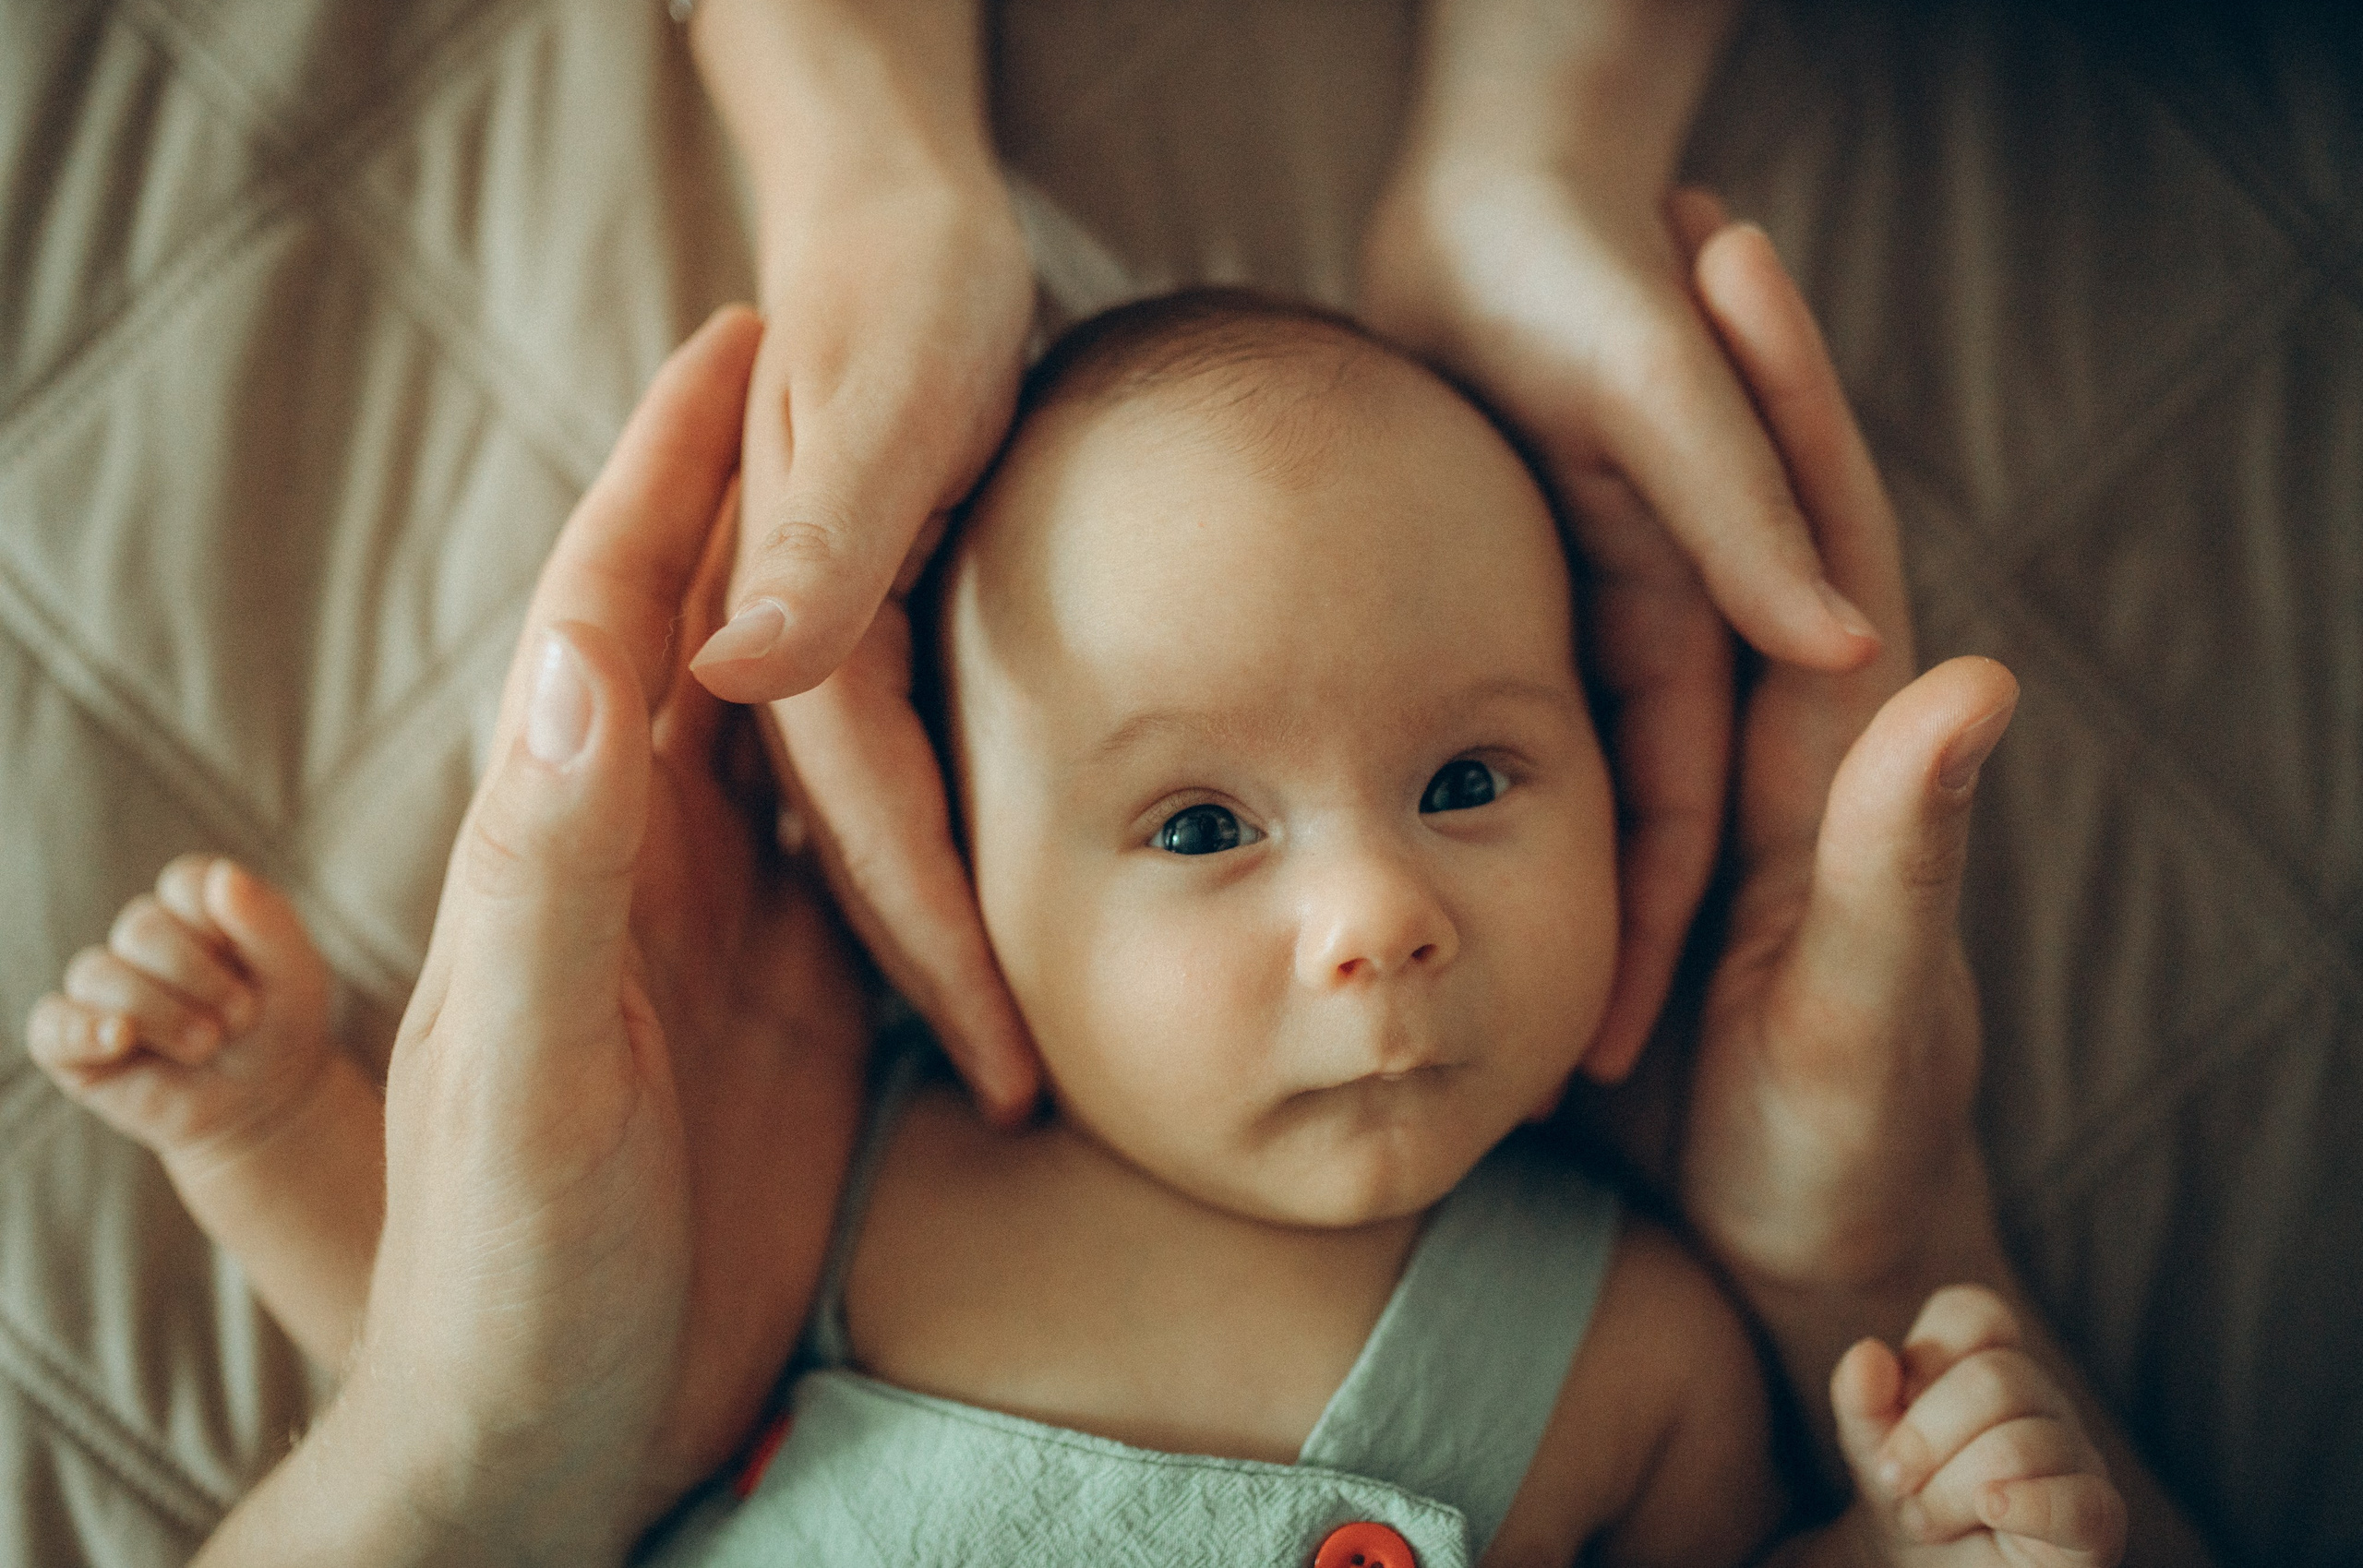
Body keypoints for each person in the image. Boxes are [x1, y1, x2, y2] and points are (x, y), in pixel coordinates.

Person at [41, 278, 2121, 1562]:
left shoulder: (1634, 1343)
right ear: (954, 879)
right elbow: (460, 1376)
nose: (1380, 912)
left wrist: (1910, 1539)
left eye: (1471, 779)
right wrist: (259, 1116)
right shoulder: (853, 1190)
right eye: (1203, 820)